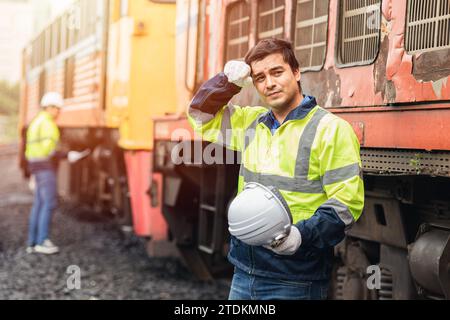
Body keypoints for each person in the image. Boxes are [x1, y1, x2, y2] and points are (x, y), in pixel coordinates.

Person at [187, 38, 364, 300]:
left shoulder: (331, 129)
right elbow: (199, 117)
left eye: (277, 72)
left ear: (296, 72)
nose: (269, 83)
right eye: (259, 78)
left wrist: (300, 236)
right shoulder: (251, 123)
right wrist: (227, 83)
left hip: (295, 277)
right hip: (245, 272)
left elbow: (347, 203)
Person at [25, 92, 88, 255]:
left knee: (39, 203)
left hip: (35, 165)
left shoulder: (36, 121)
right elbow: (49, 150)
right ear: (50, 107)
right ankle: (42, 241)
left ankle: (32, 242)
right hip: (45, 167)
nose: (59, 112)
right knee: (49, 203)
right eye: (58, 109)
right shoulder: (48, 124)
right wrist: (68, 155)